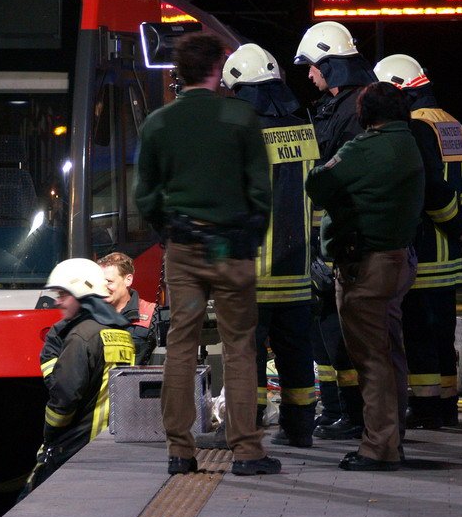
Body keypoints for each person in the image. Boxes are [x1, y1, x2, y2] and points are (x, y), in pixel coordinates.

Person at [134, 31, 280, 477]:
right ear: (218, 68)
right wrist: (247, 237)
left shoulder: (159, 123)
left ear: (178, 71)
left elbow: (146, 197)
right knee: (239, 346)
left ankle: (180, 451)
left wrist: (171, 228)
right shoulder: (239, 117)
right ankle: (246, 451)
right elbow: (261, 190)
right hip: (231, 249)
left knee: (181, 342)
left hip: (184, 247)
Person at [196, 43, 320, 449]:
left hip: (253, 274)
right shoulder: (303, 129)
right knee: (296, 358)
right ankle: (299, 429)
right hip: (298, 274)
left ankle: (241, 431)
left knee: (245, 359)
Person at [306, 82, 424, 471]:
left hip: (365, 268)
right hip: (398, 260)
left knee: (371, 360)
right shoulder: (409, 142)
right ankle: (393, 437)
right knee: (391, 355)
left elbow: (318, 184)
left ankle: (379, 446)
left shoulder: (364, 148)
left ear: (366, 114)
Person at [374, 54, 462, 428]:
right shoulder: (453, 125)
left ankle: (426, 409)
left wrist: (452, 222)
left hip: (423, 252)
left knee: (418, 336)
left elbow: (429, 192)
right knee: (442, 336)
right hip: (450, 257)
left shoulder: (416, 129)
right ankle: (447, 405)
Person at [294, 21, 379, 441]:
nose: (310, 75)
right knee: (327, 330)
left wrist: (330, 252)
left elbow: (344, 180)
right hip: (329, 239)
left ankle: (354, 414)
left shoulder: (354, 109)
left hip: (344, 241)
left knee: (343, 332)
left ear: (330, 63)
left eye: (313, 66)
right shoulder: (343, 105)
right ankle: (339, 409)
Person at [25, 258, 136, 491]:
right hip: (111, 446)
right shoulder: (120, 333)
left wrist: (50, 435)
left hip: (76, 449)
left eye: (64, 295)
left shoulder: (80, 337)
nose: (59, 302)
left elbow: (63, 400)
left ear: (82, 294)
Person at [97, 251, 157, 364]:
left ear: (128, 280)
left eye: (109, 282)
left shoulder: (152, 315)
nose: (103, 287)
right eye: (100, 282)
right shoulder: (90, 315)